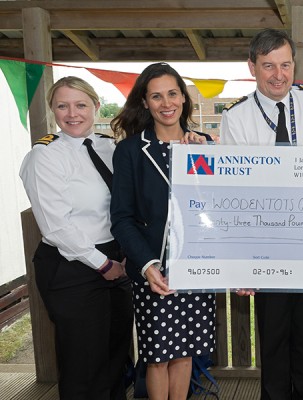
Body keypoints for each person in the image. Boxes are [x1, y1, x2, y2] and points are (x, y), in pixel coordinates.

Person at [220, 28, 303, 400]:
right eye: (268, 66)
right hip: (265, 246)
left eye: (285, 65)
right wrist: (241, 260)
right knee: (272, 345)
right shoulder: (236, 117)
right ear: (252, 67)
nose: (278, 75)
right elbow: (232, 194)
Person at [19, 76, 133, 400]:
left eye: (81, 104)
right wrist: (102, 264)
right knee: (84, 366)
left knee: (115, 358)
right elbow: (56, 226)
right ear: (53, 109)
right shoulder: (45, 155)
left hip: (117, 260)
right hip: (73, 266)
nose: (72, 113)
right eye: (62, 105)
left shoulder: (109, 146)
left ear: (96, 106)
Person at [110, 62, 216, 400]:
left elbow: (222, 206)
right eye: (156, 96)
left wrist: (204, 151)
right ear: (144, 102)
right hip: (154, 268)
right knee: (157, 357)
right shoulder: (130, 150)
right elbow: (121, 218)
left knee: (184, 352)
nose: (166, 102)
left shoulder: (205, 146)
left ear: (184, 98)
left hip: (196, 263)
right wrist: (146, 265)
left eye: (172, 93)